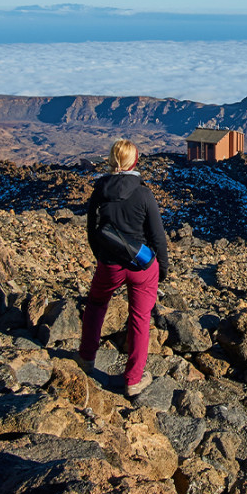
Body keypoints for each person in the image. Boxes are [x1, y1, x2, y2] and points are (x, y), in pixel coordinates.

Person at [78, 139, 168, 397]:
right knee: (140, 318)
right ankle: (133, 380)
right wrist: (161, 268)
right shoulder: (143, 193)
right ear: (134, 161)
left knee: (96, 304)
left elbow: (92, 230)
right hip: (140, 265)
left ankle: (86, 359)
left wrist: (102, 257)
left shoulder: (100, 189)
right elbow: (157, 236)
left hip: (109, 264)